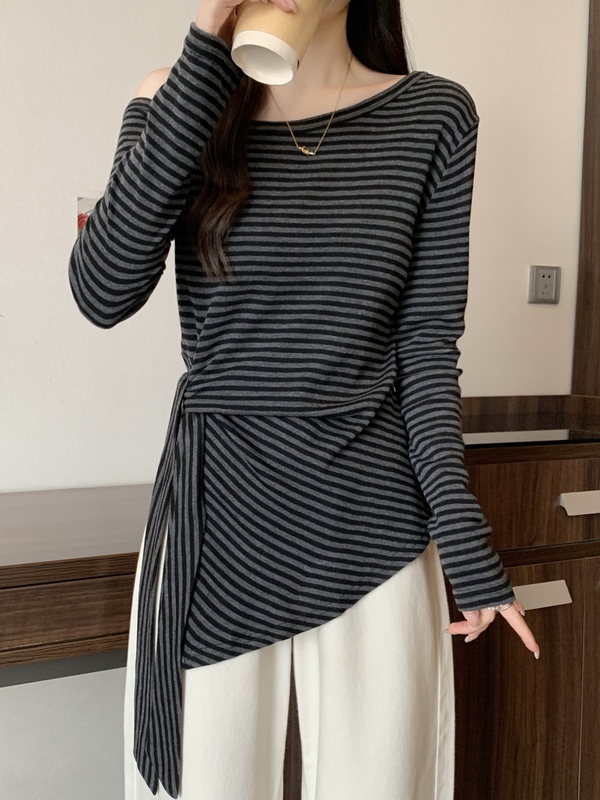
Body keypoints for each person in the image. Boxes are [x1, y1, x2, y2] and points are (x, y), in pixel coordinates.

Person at [68, 1, 540, 798]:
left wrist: (466, 546)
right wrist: (206, 46)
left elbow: (425, 349)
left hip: (372, 517)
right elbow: (101, 291)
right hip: (219, 511)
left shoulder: (435, 115)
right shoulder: (178, 96)